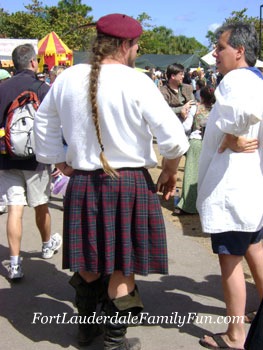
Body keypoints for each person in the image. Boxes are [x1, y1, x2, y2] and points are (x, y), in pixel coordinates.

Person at [34, 13, 189, 349]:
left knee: (89, 261)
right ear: (125, 45)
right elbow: (175, 141)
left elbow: (42, 125)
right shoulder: (138, 82)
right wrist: (170, 169)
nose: (137, 50)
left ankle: (87, 327)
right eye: (136, 45)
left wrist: (60, 161)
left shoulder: (67, 78)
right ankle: (114, 340)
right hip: (130, 183)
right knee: (122, 265)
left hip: (84, 183)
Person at [196, 22, 263, 350]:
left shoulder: (237, 79)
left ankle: (236, 336)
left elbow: (243, 112)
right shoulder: (258, 79)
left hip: (233, 190)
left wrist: (234, 131)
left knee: (231, 261)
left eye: (220, 47)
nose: (215, 54)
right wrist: (230, 133)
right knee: (256, 251)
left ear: (239, 51)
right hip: (251, 190)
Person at [0, 44, 62, 280]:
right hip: (36, 159)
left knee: (14, 210)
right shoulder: (43, 88)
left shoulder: (2, 88)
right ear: (33, 63)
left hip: (7, 157)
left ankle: (15, 265)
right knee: (41, 205)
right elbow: (54, 125)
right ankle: (47, 245)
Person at [173, 86, 215, 215]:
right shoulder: (216, 110)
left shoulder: (195, 108)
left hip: (196, 142)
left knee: (191, 173)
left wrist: (183, 116)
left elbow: (186, 127)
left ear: (200, 96)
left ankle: (188, 205)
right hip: (211, 143)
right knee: (208, 174)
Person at [160, 63, 196, 136]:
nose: (183, 77)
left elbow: (193, 103)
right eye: (181, 74)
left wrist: (186, 110)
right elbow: (163, 110)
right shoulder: (163, 91)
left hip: (188, 125)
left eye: (183, 74)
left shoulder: (187, 88)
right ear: (173, 76)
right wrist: (182, 108)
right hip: (171, 127)